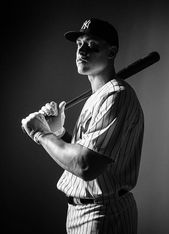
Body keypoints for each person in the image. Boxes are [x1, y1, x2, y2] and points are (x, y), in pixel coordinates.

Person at [21, 18, 144, 234]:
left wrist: (41, 134)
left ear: (111, 52)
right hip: (83, 212)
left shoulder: (116, 96)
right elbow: (90, 152)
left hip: (103, 214)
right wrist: (58, 132)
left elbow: (87, 166)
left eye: (92, 44)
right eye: (79, 44)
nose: (82, 51)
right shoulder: (100, 96)